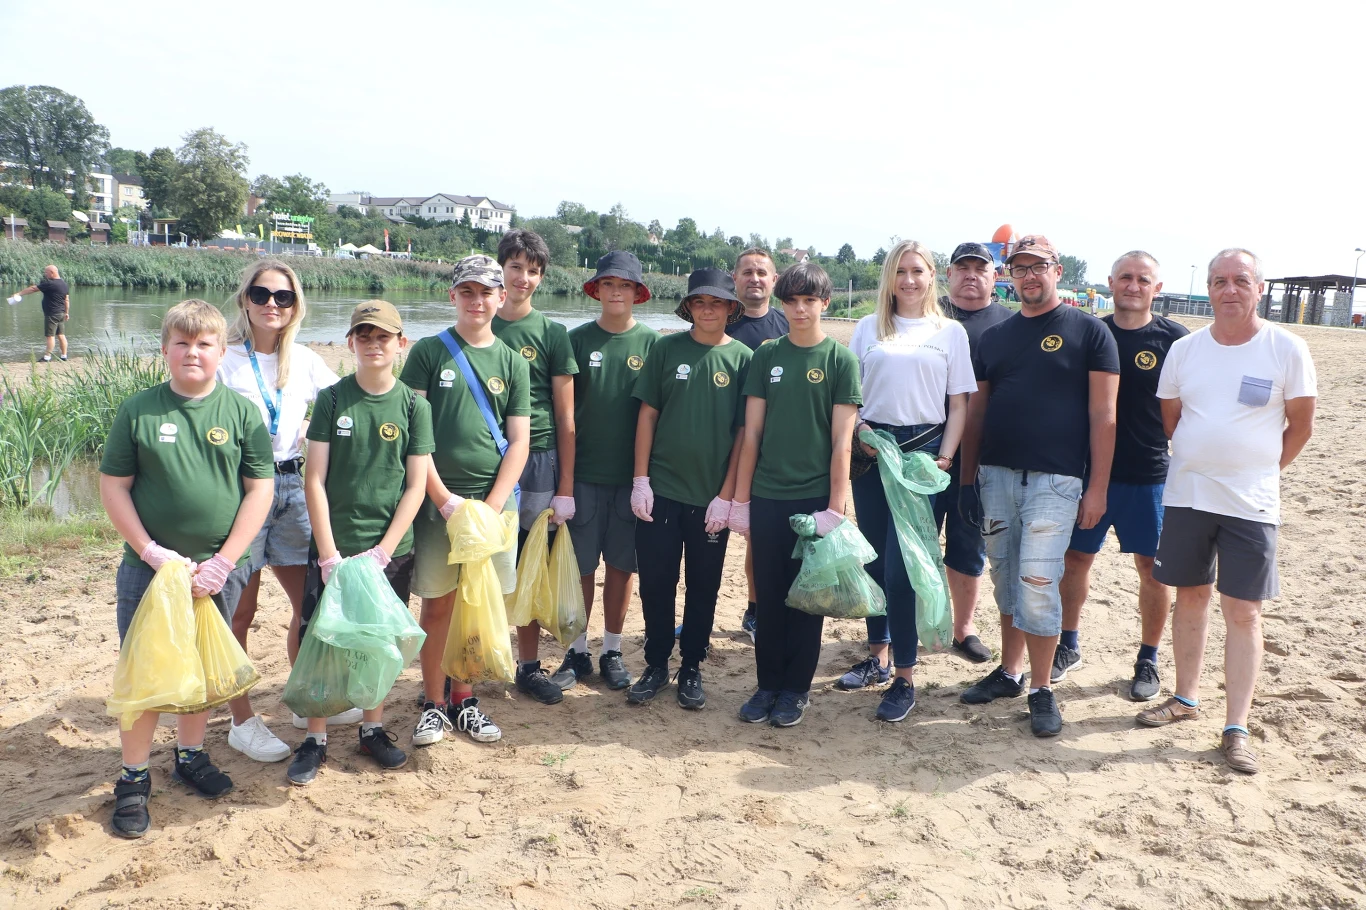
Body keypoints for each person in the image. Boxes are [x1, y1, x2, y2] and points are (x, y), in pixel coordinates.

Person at [98, 299, 274, 838]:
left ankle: (190, 755)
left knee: (199, 671)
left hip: (214, 572)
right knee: (144, 670)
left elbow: (259, 489)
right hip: (149, 569)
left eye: (204, 344)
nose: (192, 352)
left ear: (223, 351)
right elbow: (114, 487)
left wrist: (224, 562)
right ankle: (132, 778)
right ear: (165, 349)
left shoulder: (242, 412)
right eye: (182, 342)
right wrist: (151, 551)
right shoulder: (140, 410)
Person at [1136, 248, 1316, 775]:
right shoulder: (1186, 351)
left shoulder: (1286, 348)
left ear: (1258, 287)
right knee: (1189, 598)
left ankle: (1236, 727)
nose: (1229, 289)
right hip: (1188, 495)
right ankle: (1185, 697)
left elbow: (1301, 425)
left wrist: (1260, 468)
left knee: (1244, 611)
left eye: (1241, 280)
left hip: (1251, 503)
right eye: (1219, 281)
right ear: (1209, 289)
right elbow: (1172, 418)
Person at [957, 235, 1119, 737]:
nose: (1029, 275)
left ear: (1057, 270)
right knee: (1006, 579)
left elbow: (1103, 414)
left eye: (1039, 266)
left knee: (1038, 584)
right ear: (1009, 275)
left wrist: (1097, 489)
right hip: (997, 477)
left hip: (1057, 481)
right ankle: (1009, 671)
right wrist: (967, 480)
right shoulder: (995, 337)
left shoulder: (1091, 332)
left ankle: (1042, 688)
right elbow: (978, 410)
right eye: (1019, 267)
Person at [289, 300, 434, 785]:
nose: (374, 345)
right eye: (364, 336)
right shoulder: (332, 399)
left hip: (390, 548)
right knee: (323, 636)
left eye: (383, 337)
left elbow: (416, 485)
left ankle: (372, 729)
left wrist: (384, 550)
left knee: (379, 638)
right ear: (350, 342)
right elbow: (315, 480)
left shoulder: (415, 406)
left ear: (400, 343)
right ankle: (316, 736)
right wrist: (328, 553)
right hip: (335, 545)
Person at [838, 241, 974, 721]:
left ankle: (904, 676)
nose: (909, 280)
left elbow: (959, 403)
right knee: (874, 559)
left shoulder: (950, 333)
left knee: (905, 568)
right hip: (873, 454)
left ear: (932, 276)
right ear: (889, 279)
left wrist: (944, 458)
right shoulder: (866, 328)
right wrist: (859, 432)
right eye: (901, 272)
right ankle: (877, 653)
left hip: (923, 458)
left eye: (918, 271)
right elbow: (849, 397)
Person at [400, 255, 530, 747]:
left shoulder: (513, 362)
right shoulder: (430, 353)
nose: (477, 301)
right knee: (437, 606)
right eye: (467, 292)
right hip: (438, 506)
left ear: (502, 298)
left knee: (478, 602)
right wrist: (446, 502)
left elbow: (519, 441)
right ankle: (432, 703)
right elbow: (416, 435)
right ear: (453, 296)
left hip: (494, 506)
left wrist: (490, 509)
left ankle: (464, 698)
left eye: (486, 293)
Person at [215, 260, 340, 763]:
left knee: (309, 604)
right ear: (244, 298)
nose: (272, 304)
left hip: (291, 484)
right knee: (237, 610)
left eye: (283, 297)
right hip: (240, 489)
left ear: (295, 305)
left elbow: (344, 402)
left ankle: (301, 697)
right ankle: (240, 720)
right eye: (262, 294)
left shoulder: (306, 361)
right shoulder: (222, 358)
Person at [729, 262, 861, 728]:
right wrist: (740, 501)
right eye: (792, 301)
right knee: (769, 594)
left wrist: (836, 507)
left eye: (809, 300)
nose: (800, 309)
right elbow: (752, 434)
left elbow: (842, 441)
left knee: (807, 598)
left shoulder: (840, 360)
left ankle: (796, 689)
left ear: (825, 303)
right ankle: (767, 684)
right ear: (782, 305)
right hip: (767, 495)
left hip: (814, 501)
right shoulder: (767, 355)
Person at [1057, 252, 1188, 700]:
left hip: (1148, 475)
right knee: (1074, 561)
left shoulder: (1175, 339)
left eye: (1143, 279)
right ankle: (1067, 644)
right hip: (1088, 474)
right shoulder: (1089, 332)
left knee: (1151, 570)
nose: (1133, 285)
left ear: (1157, 287)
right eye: (1126, 278)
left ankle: (1148, 658)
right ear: (1110, 283)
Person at [627, 268, 751, 709]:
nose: (708, 309)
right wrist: (640, 480)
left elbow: (743, 433)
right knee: (657, 583)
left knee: (704, 585)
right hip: (660, 492)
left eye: (717, 302)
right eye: (700, 302)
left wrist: (729, 496)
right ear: (688, 307)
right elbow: (647, 416)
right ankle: (657, 662)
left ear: (731, 308)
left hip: (709, 499)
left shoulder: (742, 359)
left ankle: (692, 665)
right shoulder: (666, 349)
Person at [557, 251, 660, 691]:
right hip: (583, 474)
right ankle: (576, 650)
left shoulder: (654, 344)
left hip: (631, 478)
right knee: (581, 567)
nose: (616, 292)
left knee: (621, 567)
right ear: (596, 290)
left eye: (625, 285)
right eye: (608, 284)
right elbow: (565, 414)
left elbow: (658, 413)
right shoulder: (576, 340)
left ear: (637, 294)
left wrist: (646, 479)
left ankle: (612, 649)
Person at [489, 230, 580, 706]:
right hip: (486, 460)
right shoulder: (480, 324)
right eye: (515, 267)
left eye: (533, 270)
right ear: (501, 269)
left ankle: (527, 665)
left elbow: (566, 417)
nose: (523, 278)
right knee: (478, 562)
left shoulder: (551, 334)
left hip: (540, 460)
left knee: (529, 563)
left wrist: (565, 486)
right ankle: (470, 658)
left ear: (541, 278)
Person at [935, 243, 1012, 663]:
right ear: (948, 274)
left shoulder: (1008, 324)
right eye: (961, 268)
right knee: (914, 539)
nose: (970, 276)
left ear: (994, 275)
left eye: (979, 269)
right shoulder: (929, 315)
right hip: (925, 446)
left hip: (981, 455)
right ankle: (909, 621)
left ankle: (963, 627)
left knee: (968, 542)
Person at [721, 247, 787, 642]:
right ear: (735, 279)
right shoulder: (718, 323)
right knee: (707, 539)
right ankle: (701, 611)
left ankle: (755, 606)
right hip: (718, 443)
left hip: (764, 448)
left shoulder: (785, 327)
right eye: (747, 272)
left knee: (757, 537)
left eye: (762, 272)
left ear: (774, 281)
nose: (755, 278)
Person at [9, 264, 70, 361]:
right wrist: (67, 313)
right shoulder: (64, 284)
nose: (45, 274)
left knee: (50, 336)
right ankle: (64, 356)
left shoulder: (50, 284)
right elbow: (66, 300)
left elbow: (33, 289)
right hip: (61, 313)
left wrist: (19, 294)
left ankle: (47, 357)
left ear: (52, 273)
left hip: (52, 314)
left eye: (46, 272)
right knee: (61, 335)